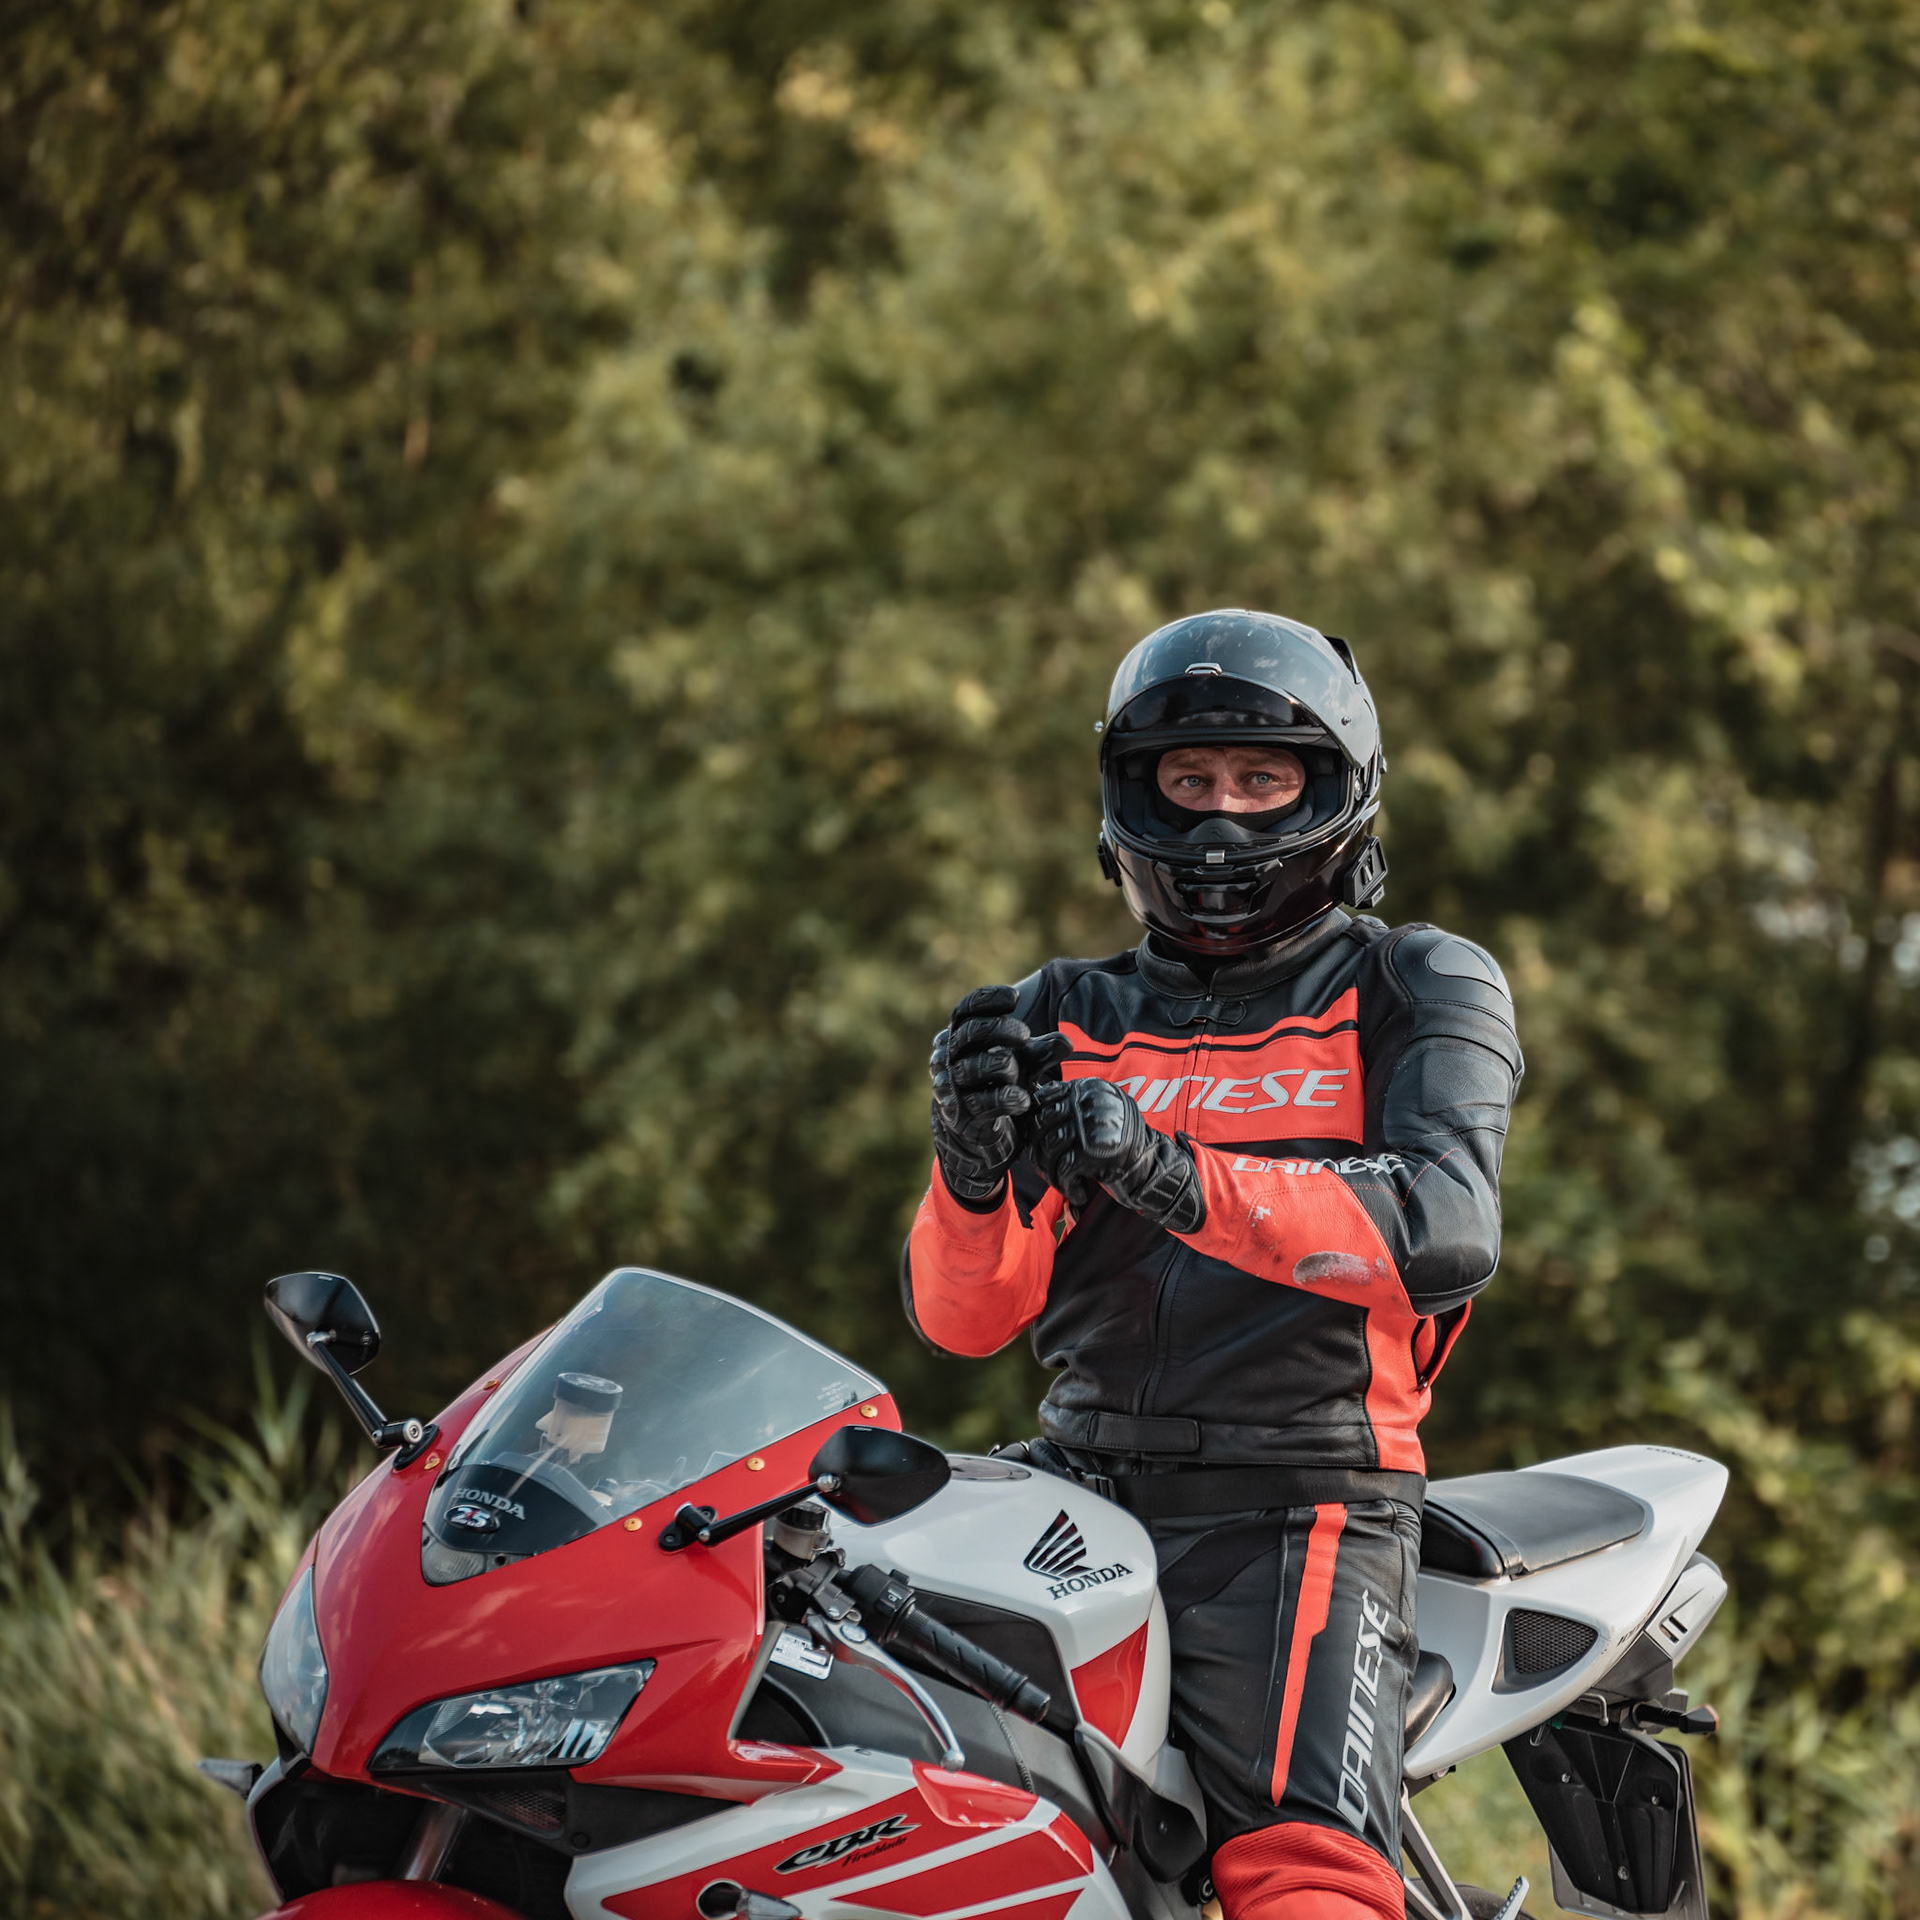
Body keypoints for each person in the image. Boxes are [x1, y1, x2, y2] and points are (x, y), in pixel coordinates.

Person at [902, 610, 1523, 1920]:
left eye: (1260, 777)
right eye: (1189, 780)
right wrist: (969, 1174)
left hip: (1304, 1499)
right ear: (1134, 797)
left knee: (1303, 1872)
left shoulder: (1416, 981)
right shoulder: (1062, 1011)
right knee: (901, 1786)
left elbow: (1446, 1224)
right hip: (1074, 1481)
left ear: (1334, 790)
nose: (1222, 818)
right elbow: (964, 1322)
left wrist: (1172, 1173)